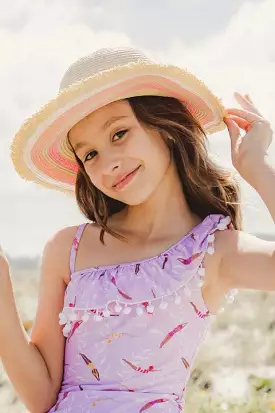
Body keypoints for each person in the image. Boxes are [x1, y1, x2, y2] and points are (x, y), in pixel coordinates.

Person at [0, 47, 274, 413]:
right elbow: (41, 396)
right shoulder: (69, 248)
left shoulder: (214, 251)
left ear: (166, 128)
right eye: (90, 155)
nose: (108, 163)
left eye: (119, 134)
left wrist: (258, 168)